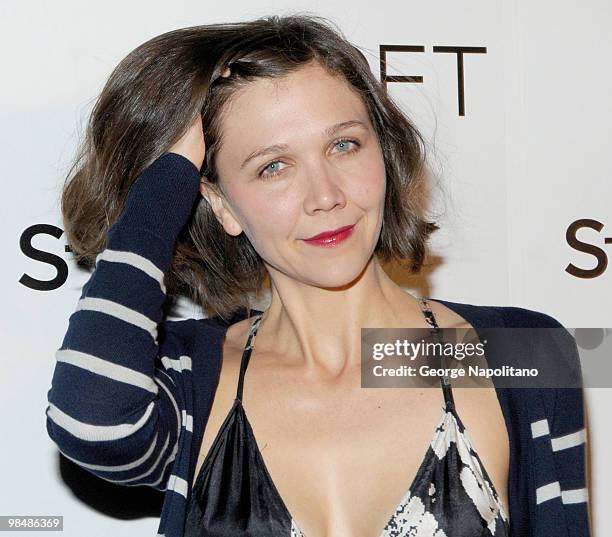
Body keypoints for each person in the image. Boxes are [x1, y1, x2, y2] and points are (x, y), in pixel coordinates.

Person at [45, 14, 590, 537]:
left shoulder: (523, 349)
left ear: (384, 151)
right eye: (273, 166)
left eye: (344, 145)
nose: (326, 196)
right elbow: (93, 423)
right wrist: (165, 186)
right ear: (220, 204)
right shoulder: (194, 376)